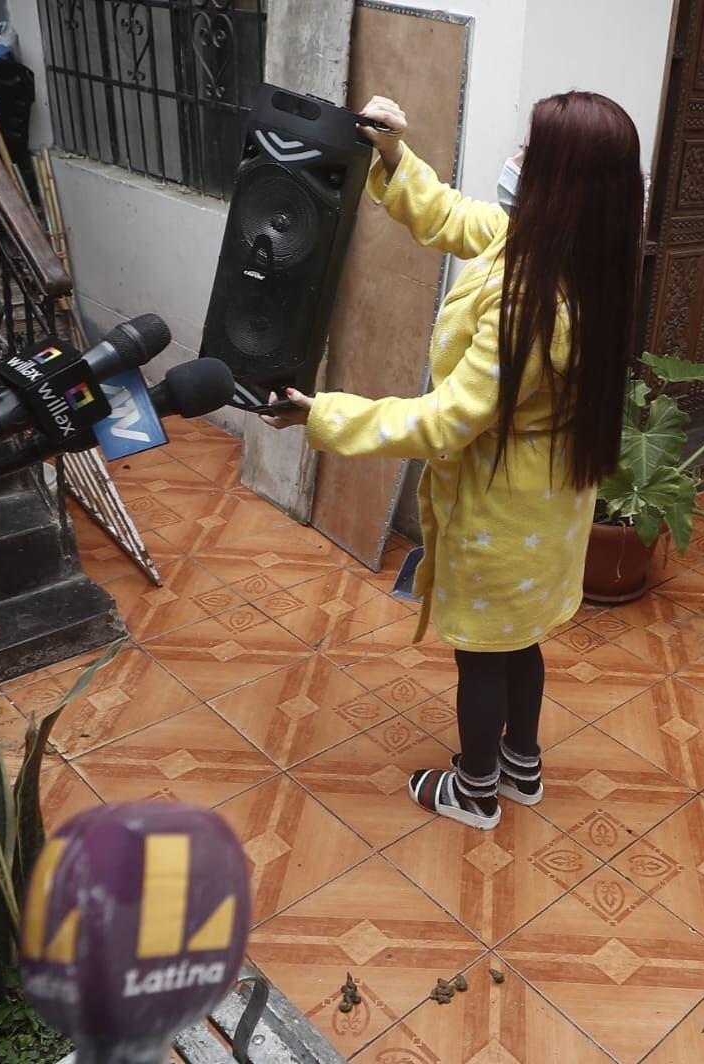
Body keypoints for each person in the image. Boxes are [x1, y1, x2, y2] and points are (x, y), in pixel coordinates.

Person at [262, 92, 644, 829]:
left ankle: (474, 790)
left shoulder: (532, 302)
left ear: (560, 181)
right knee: (519, 640)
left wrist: (325, 414)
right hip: (547, 508)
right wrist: (392, 154)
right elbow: (448, 215)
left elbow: (447, 421)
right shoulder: (572, 255)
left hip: (500, 512)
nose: (516, 160)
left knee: (481, 654)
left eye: (531, 151)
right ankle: (521, 765)